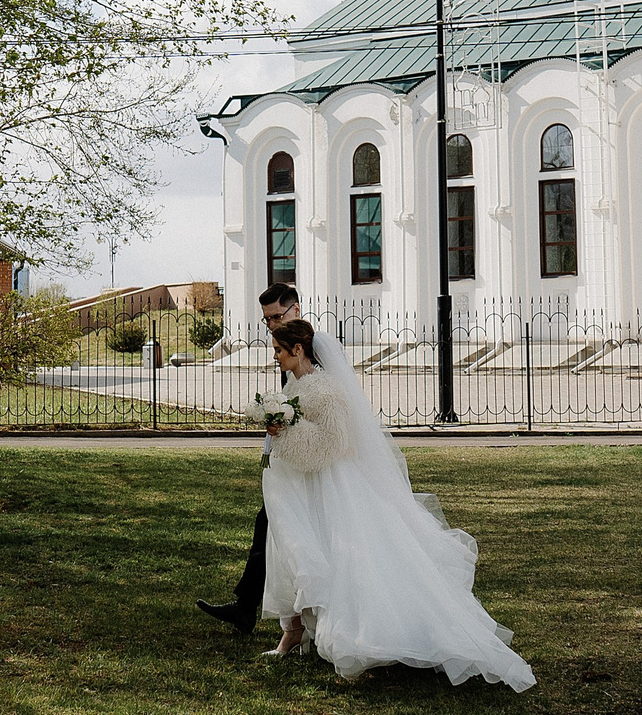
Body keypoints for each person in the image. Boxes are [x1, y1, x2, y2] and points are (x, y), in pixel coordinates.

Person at [254, 318, 533, 690]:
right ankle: (299, 632)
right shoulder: (295, 385)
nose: (274, 357)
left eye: (278, 350)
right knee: (307, 552)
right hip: (306, 485)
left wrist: (289, 431)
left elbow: (338, 444)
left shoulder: (328, 390)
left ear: (298, 350)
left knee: (349, 557)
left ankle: (374, 632)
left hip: (336, 485)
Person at [197, 282, 302, 634]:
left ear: (295, 309)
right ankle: (249, 607)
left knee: (280, 530)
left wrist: (288, 425)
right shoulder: (285, 348)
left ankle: (263, 611)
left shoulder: (309, 347)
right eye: (266, 320)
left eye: (276, 317)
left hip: (310, 464)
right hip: (289, 458)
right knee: (268, 527)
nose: (271, 325)